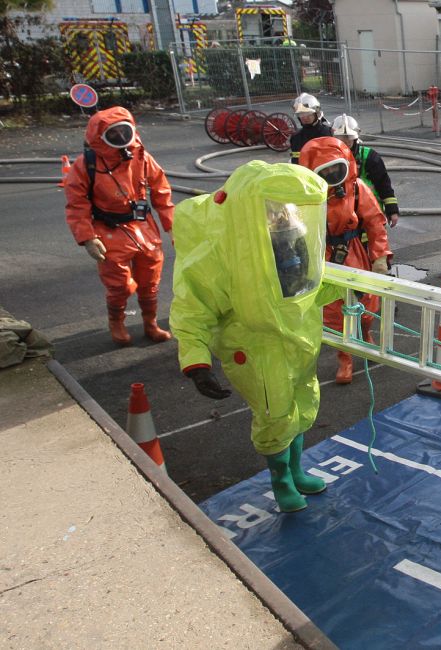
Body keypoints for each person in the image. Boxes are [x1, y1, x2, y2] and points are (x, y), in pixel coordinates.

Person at [170, 160, 340, 512]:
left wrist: (353, 288)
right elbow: (192, 307)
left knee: (300, 404)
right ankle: (281, 481)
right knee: (274, 412)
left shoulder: (291, 234)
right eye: (273, 209)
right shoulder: (223, 249)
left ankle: (295, 469)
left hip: (297, 337)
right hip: (254, 344)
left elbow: (305, 286)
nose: (280, 215)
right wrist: (196, 362)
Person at [64, 106, 176, 346]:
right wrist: (87, 237)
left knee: (150, 280)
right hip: (108, 230)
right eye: (113, 134)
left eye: (123, 132)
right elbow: (77, 204)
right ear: (99, 137)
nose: (120, 139)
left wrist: (173, 227)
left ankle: (150, 323)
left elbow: (161, 193)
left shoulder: (142, 158)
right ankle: (117, 321)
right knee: (120, 285)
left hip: (143, 227)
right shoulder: (87, 165)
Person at [299, 136, 391, 384]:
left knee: (367, 302)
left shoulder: (357, 188)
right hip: (323, 258)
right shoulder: (304, 196)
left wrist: (380, 256)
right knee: (333, 312)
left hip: (354, 253)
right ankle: (345, 358)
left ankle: (366, 334)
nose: (331, 174)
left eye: (335, 168)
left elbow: (375, 223)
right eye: (324, 170)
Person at [331, 114, 399, 228]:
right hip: (341, 215)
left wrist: (392, 210)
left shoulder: (369, 156)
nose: (346, 141)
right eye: (341, 137)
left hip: (369, 212)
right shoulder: (329, 158)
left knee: (374, 242)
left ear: (356, 137)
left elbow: (383, 183)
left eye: (349, 137)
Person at [289, 92, 332, 164]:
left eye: (308, 113)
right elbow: (295, 161)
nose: (304, 117)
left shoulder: (328, 133)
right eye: (300, 114)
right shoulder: (296, 137)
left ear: (317, 113)